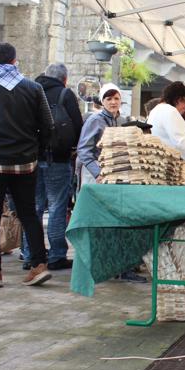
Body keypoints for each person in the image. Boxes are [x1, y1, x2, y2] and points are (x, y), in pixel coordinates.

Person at [0, 42, 53, 288]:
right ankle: (39, 265)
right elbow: (48, 124)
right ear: (14, 60)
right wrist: (36, 150)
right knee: (28, 213)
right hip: (26, 163)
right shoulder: (33, 87)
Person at [76, 83, 147, 283]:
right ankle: (96, 266)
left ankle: (119, 266)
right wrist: (98, 172)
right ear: (102, 101)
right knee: (97, 222)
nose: (113, 102)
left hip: (115, 178)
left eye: (116, 98)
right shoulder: (95, 120)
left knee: (116, 221)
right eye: (109, 99)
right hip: (96, 179)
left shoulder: (121, 120)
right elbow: (84, 149)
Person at [19, 63, 83, 271]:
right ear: (64, 79)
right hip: (58, 158)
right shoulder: (65, 94)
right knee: (56, 208)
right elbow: (78, 126)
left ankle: (30, 254)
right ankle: (56, 255)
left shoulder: (28, 90)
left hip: (31, 159)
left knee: (33, 208)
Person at [146, 82, 185, 160]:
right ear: (176, 99)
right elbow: (180, 142)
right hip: (172, 163)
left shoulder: (156, 110)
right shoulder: (170, 110)